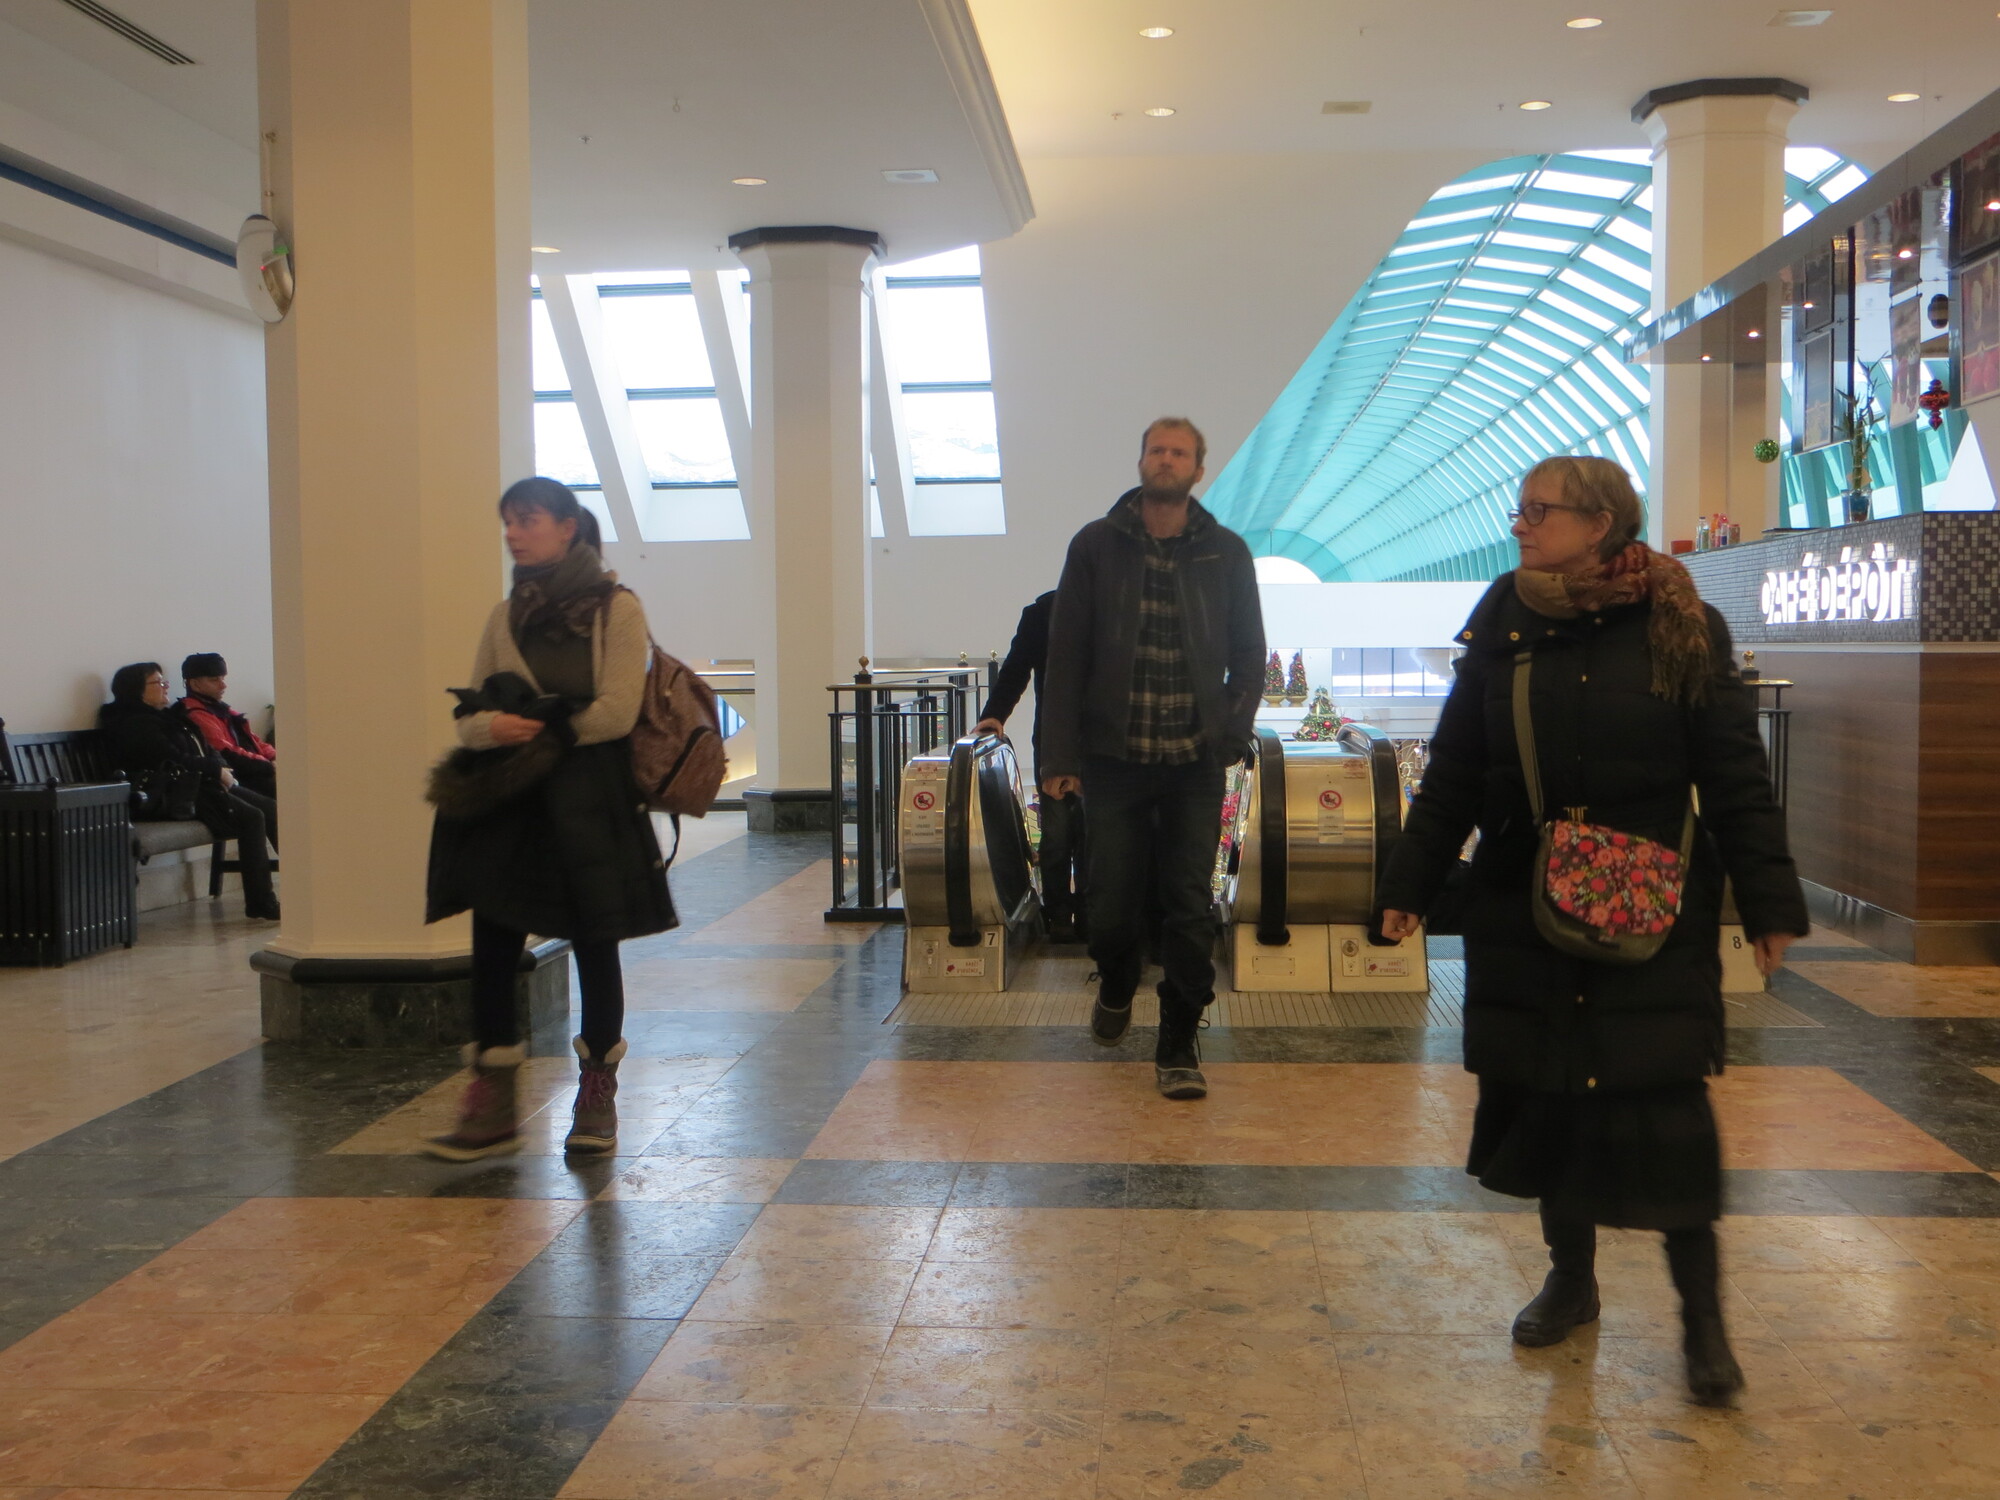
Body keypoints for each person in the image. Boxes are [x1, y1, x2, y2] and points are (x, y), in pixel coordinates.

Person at [1376, 455, 1807, 1408]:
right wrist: (1409, 883)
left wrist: (1769, 901)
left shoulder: (1680, 622)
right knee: (1549, 1094)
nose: (1520, 525)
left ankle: (1703, 1323)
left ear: (1601, 523)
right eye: (1520, 509)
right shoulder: (1505, 622)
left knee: (1666, 1105)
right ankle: (1571, 1279)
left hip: (1647, 903)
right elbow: (1456, 769)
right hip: (1524, 901)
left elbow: (1734, 774)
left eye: (1540, 511)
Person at [422, 477, 673, 1162]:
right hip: (511, 803)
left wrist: (535, 731)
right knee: (494, 938)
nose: (513, 533)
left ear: (566, 527)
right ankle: (492, 1098)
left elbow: (616, 712)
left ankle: (597, 1089)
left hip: (588, 801)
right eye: (508, 521)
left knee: (594, 936)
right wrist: (492, 728)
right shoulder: (506, 615)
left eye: (527, 519)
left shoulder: (617, 609)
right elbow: (471, 716)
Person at [1039, 417, 1264, 1099]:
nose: (1166, 460)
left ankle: (1178, 1038)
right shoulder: (1095, 545)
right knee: (1110, 901)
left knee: (1189, 904)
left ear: (1199, 469)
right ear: (1141, 461)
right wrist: (1059, 754)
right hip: (1115, 759)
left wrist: (1230, 734)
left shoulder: (1226, 552)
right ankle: (1115, 978)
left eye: (1179, 452)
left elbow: (1249, 653)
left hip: (1194, 762)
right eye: (1157, 450)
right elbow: (1066, 655)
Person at [99, 662, 280, 920]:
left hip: (196, 785)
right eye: (158, 682)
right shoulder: (135, 723)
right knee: (251, 817)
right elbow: (170, 760)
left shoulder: (168, 717)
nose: (165, 687)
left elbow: (206, 749)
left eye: (165, 682)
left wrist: (218, 768)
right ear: (136, 689)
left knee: (270, 808)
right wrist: (215, 771)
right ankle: (262, 902)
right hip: (168, 795)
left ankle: (303, 884)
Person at [976, 590, 1088, 943]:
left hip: (1102, 746)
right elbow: (1016, 670)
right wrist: (994, 715)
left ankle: (1088, 915)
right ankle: (1060, 915)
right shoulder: (1043, 612)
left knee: (1094, 836)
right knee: (1057, 834)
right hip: (1056, 744)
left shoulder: (1117, 607)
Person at [180, 653, 278, 799]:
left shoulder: (220, 709)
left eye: (223, 679)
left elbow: (253, 740)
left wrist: (275, 757)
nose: (223, 685)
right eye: (214, 680)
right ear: (195, 684)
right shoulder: (196, 715)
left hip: (257, 769)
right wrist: (269, 766)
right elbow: (228, 752)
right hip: (241, 777)